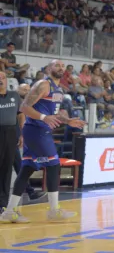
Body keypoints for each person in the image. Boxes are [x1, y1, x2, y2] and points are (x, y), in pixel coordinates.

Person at [0, 60, 85, 223]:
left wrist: (68, 121)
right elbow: (24, 107)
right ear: (49, 69)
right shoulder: (43, 84)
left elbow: (52, 113)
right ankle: (54, 210)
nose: (60, 67)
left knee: (27, 169)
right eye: (57, 65)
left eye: (62, 66)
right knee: (53, 164)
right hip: (35, 130)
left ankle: (9, 211)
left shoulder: (58, 89)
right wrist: (44, 118)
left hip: (41, 130)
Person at [0, 70, 22, 210]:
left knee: (7, 169)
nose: (0, 80)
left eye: (2, 77)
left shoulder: (14, 96)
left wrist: (21, 133)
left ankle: (2, 204)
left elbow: (20, 115)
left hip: (11, 133)